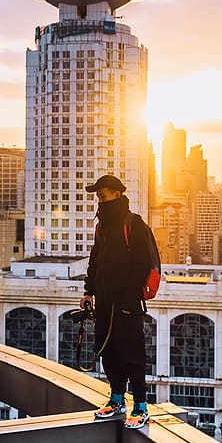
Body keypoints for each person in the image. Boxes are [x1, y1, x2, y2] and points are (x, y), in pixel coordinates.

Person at [80, 174, 154, 429]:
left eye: (102, 193)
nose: (98, 197)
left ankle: (141, 406)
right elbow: (95, 259)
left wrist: (127, 296)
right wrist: (89, 291)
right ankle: (116, 399)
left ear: (116, 193)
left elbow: (142, 264)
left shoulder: (132, 223)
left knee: (132, 354)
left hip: (127, 304)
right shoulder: (102, 225)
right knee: (108, 351)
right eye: (97, 193)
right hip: (104, 301)